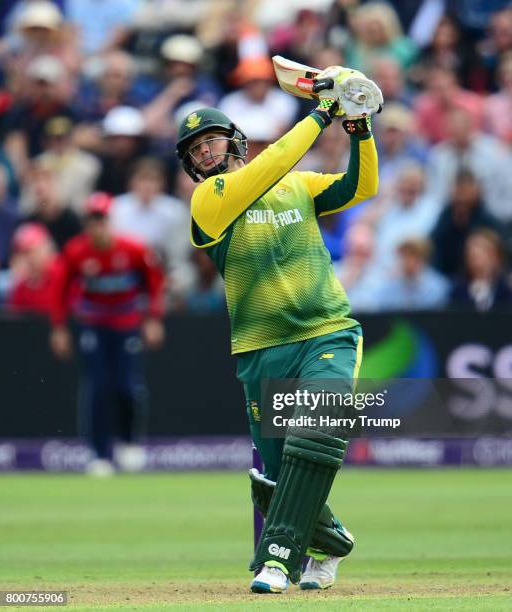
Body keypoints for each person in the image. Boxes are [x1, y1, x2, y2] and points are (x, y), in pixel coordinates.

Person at [175, 67, 381, 593]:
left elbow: (362, 185)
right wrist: (323, 112)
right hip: (260, 348)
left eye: (211, 140)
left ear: (234, 140)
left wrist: (358, 127)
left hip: (326, 331)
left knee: (313, 436)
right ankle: (330, 542)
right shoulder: (209, 203)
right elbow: (272, 164)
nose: (204, 153)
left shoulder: (296, 186)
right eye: (194, 150)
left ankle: (277, 560)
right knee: (274, 476)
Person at [49, 192, 166, 475]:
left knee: (127, 386)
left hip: (126, 325)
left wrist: (153, 319)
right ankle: (99, 454)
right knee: (97, 388)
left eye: (101, 220)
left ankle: (128, 443)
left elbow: (155, 282)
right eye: (92, 220)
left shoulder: (133, 249)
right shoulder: (76, 252)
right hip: (93, 326)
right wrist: (59, 328)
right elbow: (58, 289)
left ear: (110, 221)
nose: (97, 226)